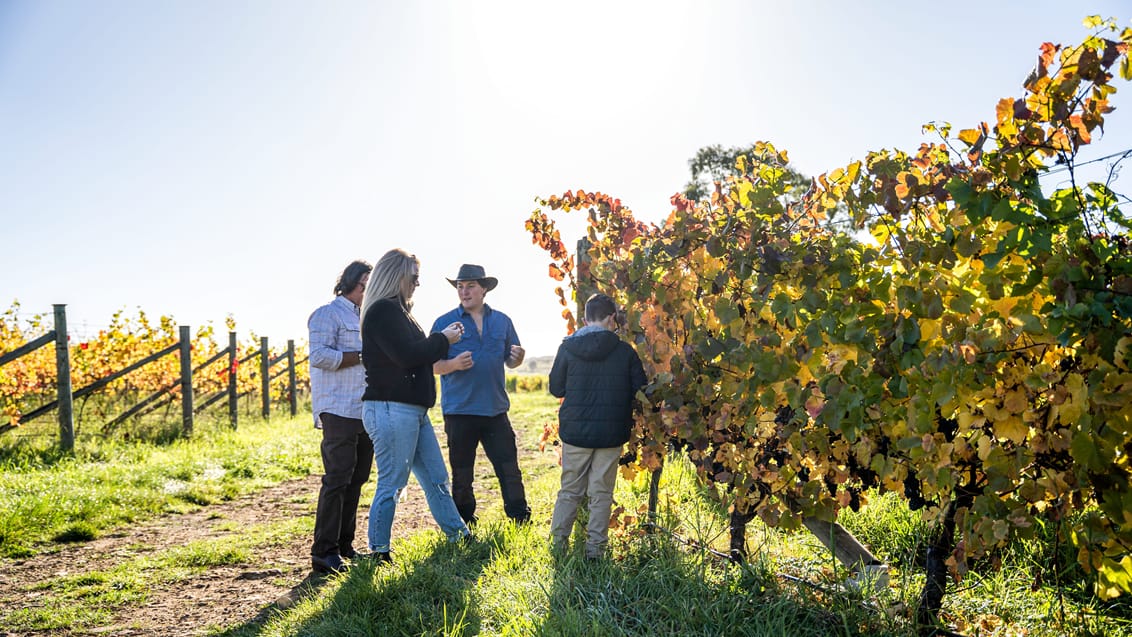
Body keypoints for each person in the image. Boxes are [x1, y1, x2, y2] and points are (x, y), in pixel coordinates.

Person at [360, 248, 470, 563]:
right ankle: (378, 552)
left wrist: (439, 341)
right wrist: (443, 339)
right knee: (393, 482)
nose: (417, 284)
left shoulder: (399, 312)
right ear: (398, 276)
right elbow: (407, 356)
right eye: (414, 278)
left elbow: (414, 352)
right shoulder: (383, 312)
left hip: (412, 411)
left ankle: (460, 536)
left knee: (436, 478)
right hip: (392, 409)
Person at [549, 293, 647, 559]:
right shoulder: (625, 352)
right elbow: (642, 389)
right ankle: (595, 551)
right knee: (601, 493)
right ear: (612, 318)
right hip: (611, 433)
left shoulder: (567, 348)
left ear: (584, 319)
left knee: (570, 490)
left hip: (575, 432)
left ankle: (558, 547)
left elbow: (555, 387)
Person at [431, 264, 531, 526]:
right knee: (462, 473)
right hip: (459, 411)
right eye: (460, 287)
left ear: (484, 289)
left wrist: (518, 359)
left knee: (509, 468)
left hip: (496, 409)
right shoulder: (444, 323)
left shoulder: (502, 321)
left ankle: (519, 517)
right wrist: (452, 365)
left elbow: (512, 360)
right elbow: (429, 364)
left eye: (470, 286)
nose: (464, 292)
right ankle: (464, 522)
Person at [307, 260, 372, 574]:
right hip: (338, 408)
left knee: (357, 480)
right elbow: (319, 356)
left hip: (363, 408)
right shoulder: (327, 314)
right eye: (366, 284)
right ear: (355, 283)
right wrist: (360, 356)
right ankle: (324, 552)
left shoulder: (365, 317)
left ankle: (345, 545)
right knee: (336, 480)